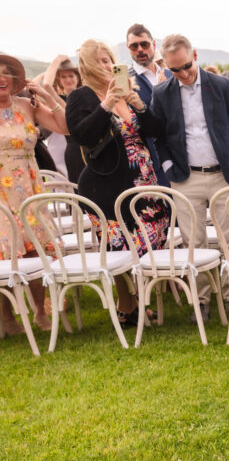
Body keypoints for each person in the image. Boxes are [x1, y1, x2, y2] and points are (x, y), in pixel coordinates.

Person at [64, 40, 170, 325]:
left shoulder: (129, 92)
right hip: (107, 183)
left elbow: (155, 130)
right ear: (86, 65)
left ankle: (142, 297)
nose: (107, 64)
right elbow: (81, 135)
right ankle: (128, 303)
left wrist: (140, 106)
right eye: (99, 60)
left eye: (109, 58)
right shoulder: (81, 97)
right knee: (120, 243)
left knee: (152, 236)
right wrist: (106, 104)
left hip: (145, 180)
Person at [150, 33, 229, 323]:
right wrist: (169, 168)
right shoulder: (162, 93)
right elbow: (159, 137)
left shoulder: (222, 86)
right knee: (193, 243)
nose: (182, 74)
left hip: (223, 174)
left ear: (194, 55)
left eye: (186, 67)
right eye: (175, 70)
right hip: (185, 178)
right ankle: (202, 301)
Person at [0, 54, 68, 333]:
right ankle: (7, 317)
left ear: (15, 79)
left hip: (29, 186)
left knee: (35, 250)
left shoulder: (27, 106)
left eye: (6, 73)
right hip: (1, 191)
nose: (1, 78)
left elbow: (64, 127)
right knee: (4, 252)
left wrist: (48, 96)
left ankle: (41, 311)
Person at [126, 24, 173, 187]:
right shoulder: (127, 80)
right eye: (134, 46)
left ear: (153, 44)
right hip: (151, 159)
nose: (140, 49)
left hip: (180, 153)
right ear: (128, 48)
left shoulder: (171, 74)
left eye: (144, 44)